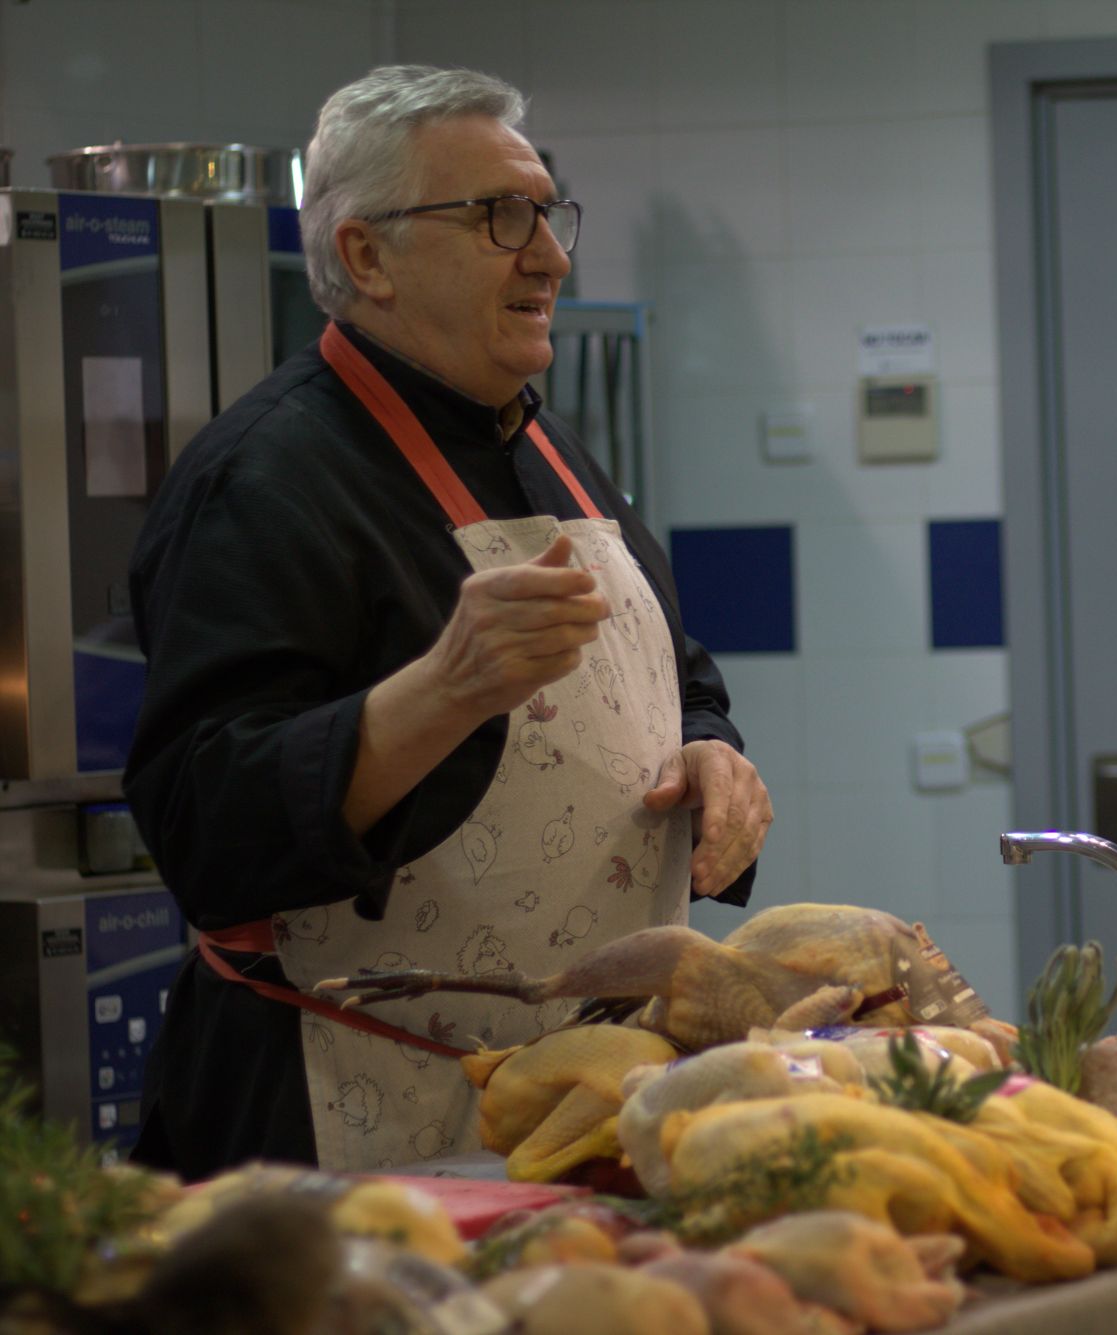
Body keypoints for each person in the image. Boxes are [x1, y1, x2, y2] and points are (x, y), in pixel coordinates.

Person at [124, 65, 773, 1178]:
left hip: (570, 1094)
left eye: (549, 213)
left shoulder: (545, 441)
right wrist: (447, 688)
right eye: (497, 217)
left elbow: (676, 672)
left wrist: (714, 753)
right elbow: (203, 826)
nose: (551, 256)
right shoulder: (266, 479)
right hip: (347, 1108)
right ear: (366, 255)